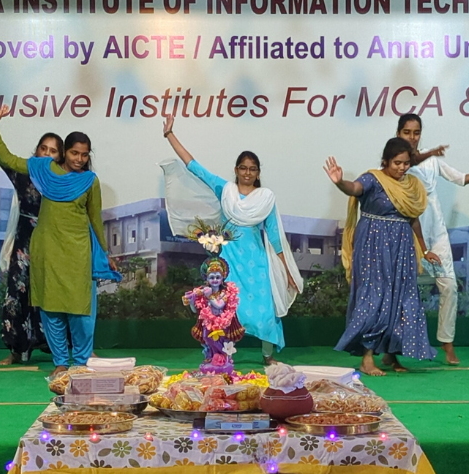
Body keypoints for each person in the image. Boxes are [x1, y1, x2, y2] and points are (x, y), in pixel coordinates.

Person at [0, 104, 119, 376]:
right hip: (46, 249)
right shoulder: (44, 170)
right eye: (74, 153)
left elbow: (95, 220)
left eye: (84, 155)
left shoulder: (90, 181)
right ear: (65, 152)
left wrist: (105, 254)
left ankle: (80, 362)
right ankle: (60, 363)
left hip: (78, 252)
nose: (79, 159)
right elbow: (8, 159)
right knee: (51, 309)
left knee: (81, 311)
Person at [162, 115, 303, 365]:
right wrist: (169, 134)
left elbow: (273, 236)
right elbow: (194, 166)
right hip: (229, 261)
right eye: (243, 168)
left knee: (264, 311)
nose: (247, 173)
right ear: (236, 170)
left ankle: (267, 356)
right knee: (225, 308)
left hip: (257, 263)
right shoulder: (225, 190)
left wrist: (286, 270)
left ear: (258, 173)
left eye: (252, 169)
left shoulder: (265, 198)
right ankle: (222, 353)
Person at [324, 137, 439, 376]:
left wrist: (425, 249)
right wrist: (340, 182)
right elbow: (354, 189)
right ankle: (367, 358)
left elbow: (413, 219)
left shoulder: (411, 185)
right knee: (374, 298)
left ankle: (391, 353)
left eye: (406, 163)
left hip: (402, 248)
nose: (402, 168)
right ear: (385, 161)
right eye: (397, 163)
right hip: (373, 246)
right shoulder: (372, 179)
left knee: (402, 298)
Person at [397, 113, 469, 365]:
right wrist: (430, 152)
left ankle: (447, 342)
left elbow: (462, 179)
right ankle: (395, 348)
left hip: (436, 232)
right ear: (399, 133)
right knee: (402, 292)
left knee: (449, 287)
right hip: (408, 233)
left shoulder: (432, 162)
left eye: (416, 132)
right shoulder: (397, 164)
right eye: (407, 132)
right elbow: (411, 161)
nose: (412, 137)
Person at [0, 99, 61, 366]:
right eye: (43, 148)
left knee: (53, 298)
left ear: (60, 157)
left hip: (53, 246)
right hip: (24, 245)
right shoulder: (22, 173)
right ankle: (16, 351)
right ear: (36, 151)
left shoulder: (65, 180)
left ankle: (61, 351)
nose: (47, 153)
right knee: (17, 296)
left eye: (53, 151)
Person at [184, 239, 245, 374]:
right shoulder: (203, 292)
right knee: (207, 338)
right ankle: (212, 357)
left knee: (222, 341)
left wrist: (209, 296)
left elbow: (220, 305)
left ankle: (222, 358)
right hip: (208, 323)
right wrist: (192, 300)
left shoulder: (225, 292)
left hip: (222, 323)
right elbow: (195, 311)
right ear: (207, 279)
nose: (215, 280)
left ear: (223, 278)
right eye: (212, 277)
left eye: (218, 277)